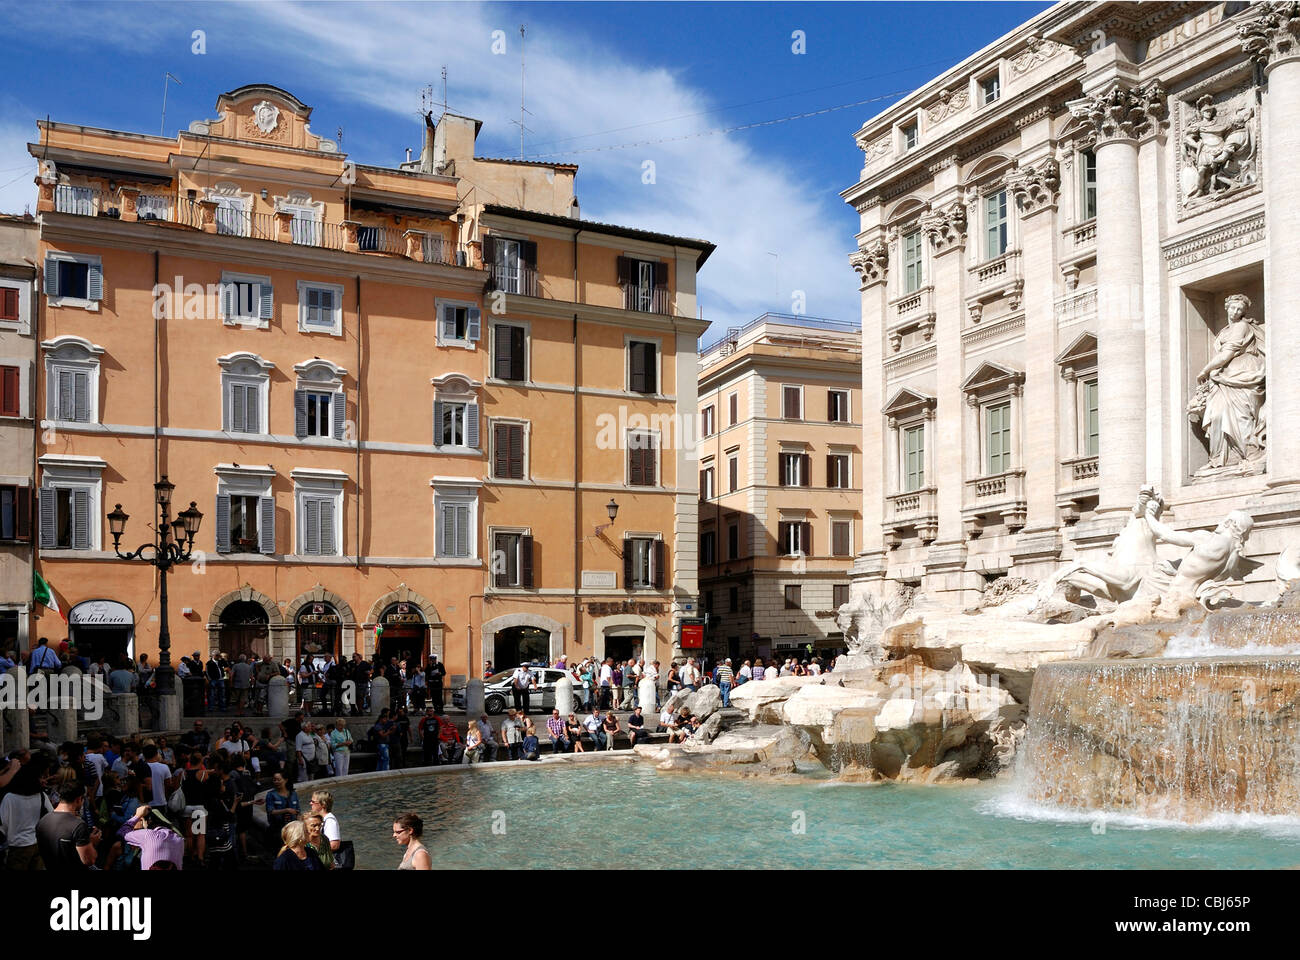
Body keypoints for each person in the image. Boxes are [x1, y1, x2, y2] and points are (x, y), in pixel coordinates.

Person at [1, 756, 52, 869]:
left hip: (18, 846)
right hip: (38, 844)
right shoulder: (41, 796)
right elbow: (50, 815)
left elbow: (3, 823)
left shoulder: (9, 798)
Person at [35, 781, 99, 871]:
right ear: (78, 799)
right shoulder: (78, 825)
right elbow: (89, 860)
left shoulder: (42, 821)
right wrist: (92, 842)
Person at [118, 805, 185, 870]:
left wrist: (137, 816)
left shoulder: (148, 835)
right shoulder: (179, 839)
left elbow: (123, 831)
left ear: (147, 821)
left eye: (138, 820)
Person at [261, 772, 299, 847]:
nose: (276, 782)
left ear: (286, 780)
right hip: (277, 829)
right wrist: (286, 810)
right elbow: (270, 811)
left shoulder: (293, 793)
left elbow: (298, 811)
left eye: (278, 780)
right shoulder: (271, 794)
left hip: (292, 828)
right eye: (274, 780)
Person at [310, 790, 342, 864]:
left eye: (313, 802)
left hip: (328, 862)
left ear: (323, 805)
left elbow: (334, 845)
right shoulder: (321, 819)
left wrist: (313, 849)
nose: (310, 803)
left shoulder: (330, 821)